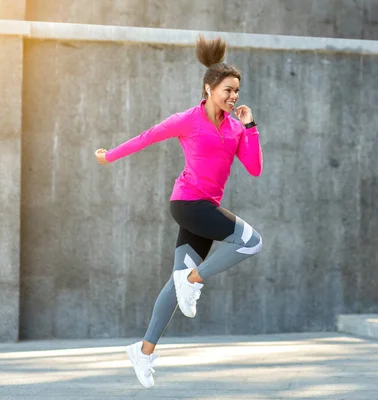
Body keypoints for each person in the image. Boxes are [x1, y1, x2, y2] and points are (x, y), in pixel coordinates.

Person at [95, 34, 263, 389]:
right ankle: (192, 281)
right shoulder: (187, 119)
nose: (234, 96)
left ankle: (143, 350)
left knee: (174, 287)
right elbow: (146, 137)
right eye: (227, 90)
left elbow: (255, 168)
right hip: (187, 204)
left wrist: (251, 128)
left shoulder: (235, 128)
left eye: (237, 91)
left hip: (207, 208)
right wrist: (109, 156)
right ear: (209, 88)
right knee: (251, 241)